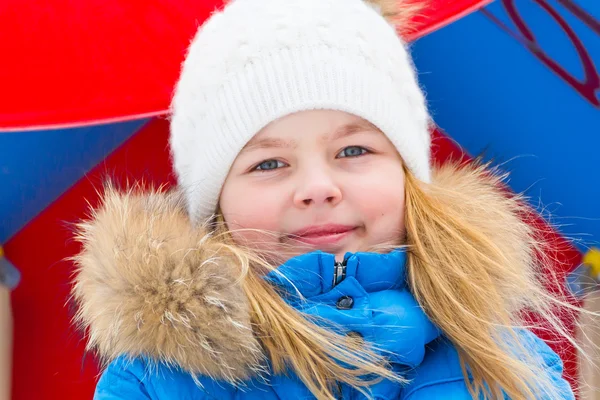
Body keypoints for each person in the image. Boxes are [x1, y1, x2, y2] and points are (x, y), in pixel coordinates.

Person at [71, 0, 580, 398]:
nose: (318, 187)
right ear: (216, 204)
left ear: (407, 174)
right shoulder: (155, 384)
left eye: (353, 149)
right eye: (268, 163)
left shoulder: (510, 369)